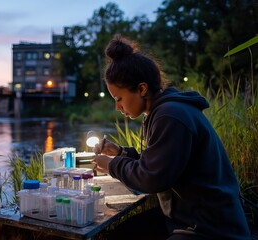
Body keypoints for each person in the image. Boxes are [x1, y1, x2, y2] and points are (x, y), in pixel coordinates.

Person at [92, 35, 251, 239]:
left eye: (119, 98)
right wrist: (122, 153)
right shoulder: (164, 111)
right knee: (116, 235)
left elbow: (151, 179)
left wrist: (111, 165)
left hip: (211, 227)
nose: (117, 107)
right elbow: (162, 164)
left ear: (142, 89)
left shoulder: (170, 115)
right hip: (187, 217)